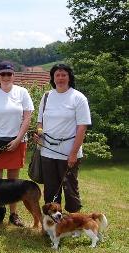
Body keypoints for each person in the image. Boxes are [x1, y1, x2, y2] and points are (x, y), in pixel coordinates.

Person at [0, 61, 34, 227]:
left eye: (9, 74)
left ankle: (14, 214)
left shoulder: (22, 92)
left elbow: (27, 118)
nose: (6, 77)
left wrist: (18, 139)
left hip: (16, 142)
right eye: (2, 74)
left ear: (14, 75)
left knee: (13, 181)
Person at [36, 63, 91, 213]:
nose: (60, 78)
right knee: (51, 189)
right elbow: (40, 121)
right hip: (47, 152)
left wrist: (73, 153)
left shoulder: (78, 98)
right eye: (57, 75)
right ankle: (52, 224)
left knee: (70, 188)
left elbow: (82, 127)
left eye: (63, 75)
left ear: (69, 77)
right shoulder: (46, 96)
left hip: (69, 153)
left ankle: (74, 223)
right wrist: (39, 132)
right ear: (53, 78)